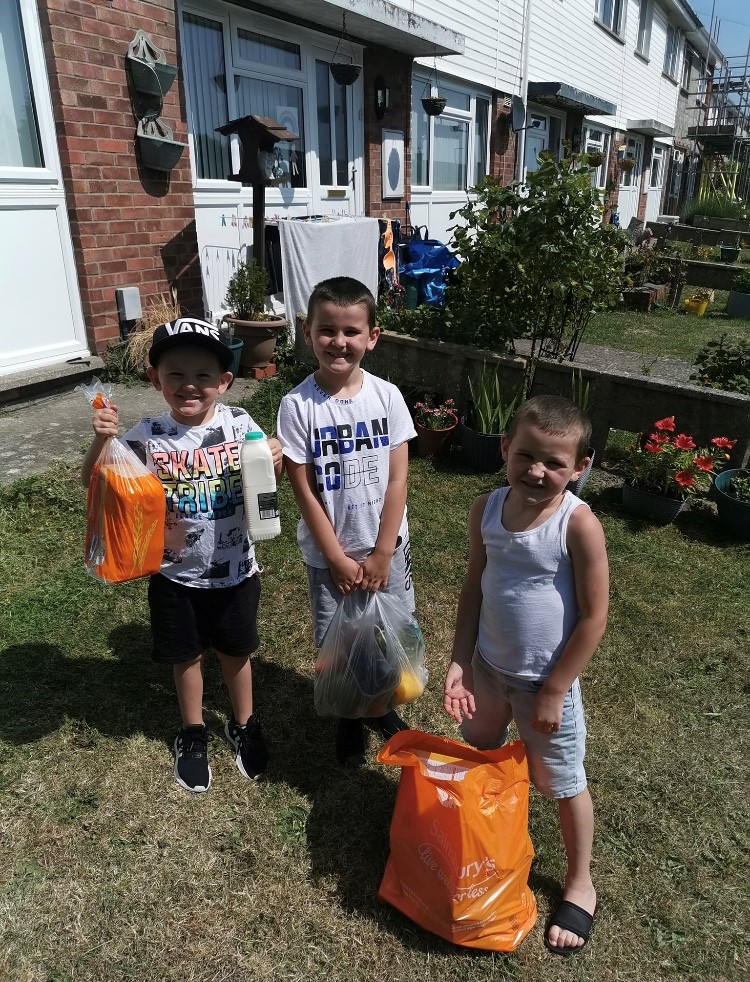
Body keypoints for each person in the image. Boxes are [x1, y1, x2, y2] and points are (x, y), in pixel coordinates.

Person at [81, 317, 283, 794]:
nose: (190, 385)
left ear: (225, 383)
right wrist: (102, 440)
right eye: (175, 374)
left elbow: (270, 469)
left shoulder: (240, 424)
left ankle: (244, 722)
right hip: (175, 576)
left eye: (203, 376)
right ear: (156, 380)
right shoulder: (147, 435)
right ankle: (193, 731)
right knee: (186, 655)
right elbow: (95, 481)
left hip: (237, 572)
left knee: (237, 652)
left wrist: (274, 453)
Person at [443, 395, 608, 957]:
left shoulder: (578, 525)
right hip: (488, 670)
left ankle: (580, 883)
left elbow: (593, 616)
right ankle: (490, 840)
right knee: (484, 752)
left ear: (580, 468)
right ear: (506, 448)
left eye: (555, 463)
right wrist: (460, 663)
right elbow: (473, 588)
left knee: (560, 782)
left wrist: (557, 690)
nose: (538, 471)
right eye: (527, 455)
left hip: (544, 685)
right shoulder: (486, 510)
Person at [276, 277, 416, 768]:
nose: (339, 341)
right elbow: (303, 487)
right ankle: (350, 719)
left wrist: (382, 551)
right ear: (308, 332)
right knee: (338, 642)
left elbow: (397, 481)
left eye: (351, 331)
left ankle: (379, 707)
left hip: (386, 550)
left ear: (372, 336)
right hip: (329, 554)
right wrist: (335, 556)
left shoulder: (388, 397)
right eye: (327, 329)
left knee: (387, 634)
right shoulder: (297, 405)